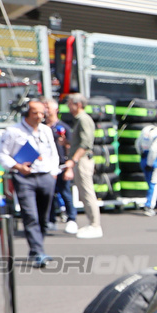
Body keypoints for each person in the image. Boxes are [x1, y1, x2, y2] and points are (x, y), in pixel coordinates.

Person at [0, 99, 60, 267]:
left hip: (46, 176)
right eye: (35, 113)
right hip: (25, 178)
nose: (40, 116)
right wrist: (17, 166)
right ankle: (39, 251)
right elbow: (2, 155)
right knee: (30, 215)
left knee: (44, 217)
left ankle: (36, 248)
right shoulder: (13, 132)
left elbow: (54, 153)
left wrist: (53, 172)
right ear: (26, 113)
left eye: (42, 113)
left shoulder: (46, 130)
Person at [65, 93, 103, 239]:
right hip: (80, 159)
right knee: (83, 193)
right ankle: (92, 223)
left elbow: (86, 144)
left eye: (70, 103)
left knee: (87, 193)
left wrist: (73, 160)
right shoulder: (79, 120)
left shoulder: (84, 120)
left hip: (82, 160)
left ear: (78, 104)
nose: (68, 106)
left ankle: (95, 225)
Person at [46, 99, 79, 233]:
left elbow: (70, 147)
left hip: (61, 165)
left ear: (56, 110)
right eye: (45, 108)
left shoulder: (63, 127)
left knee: (65, 193)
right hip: (46, 166)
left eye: (48, 108)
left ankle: (72, 220)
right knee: (49, 195)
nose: (46, 110)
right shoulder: (42, 127)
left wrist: (69, 167)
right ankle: (51, 220)